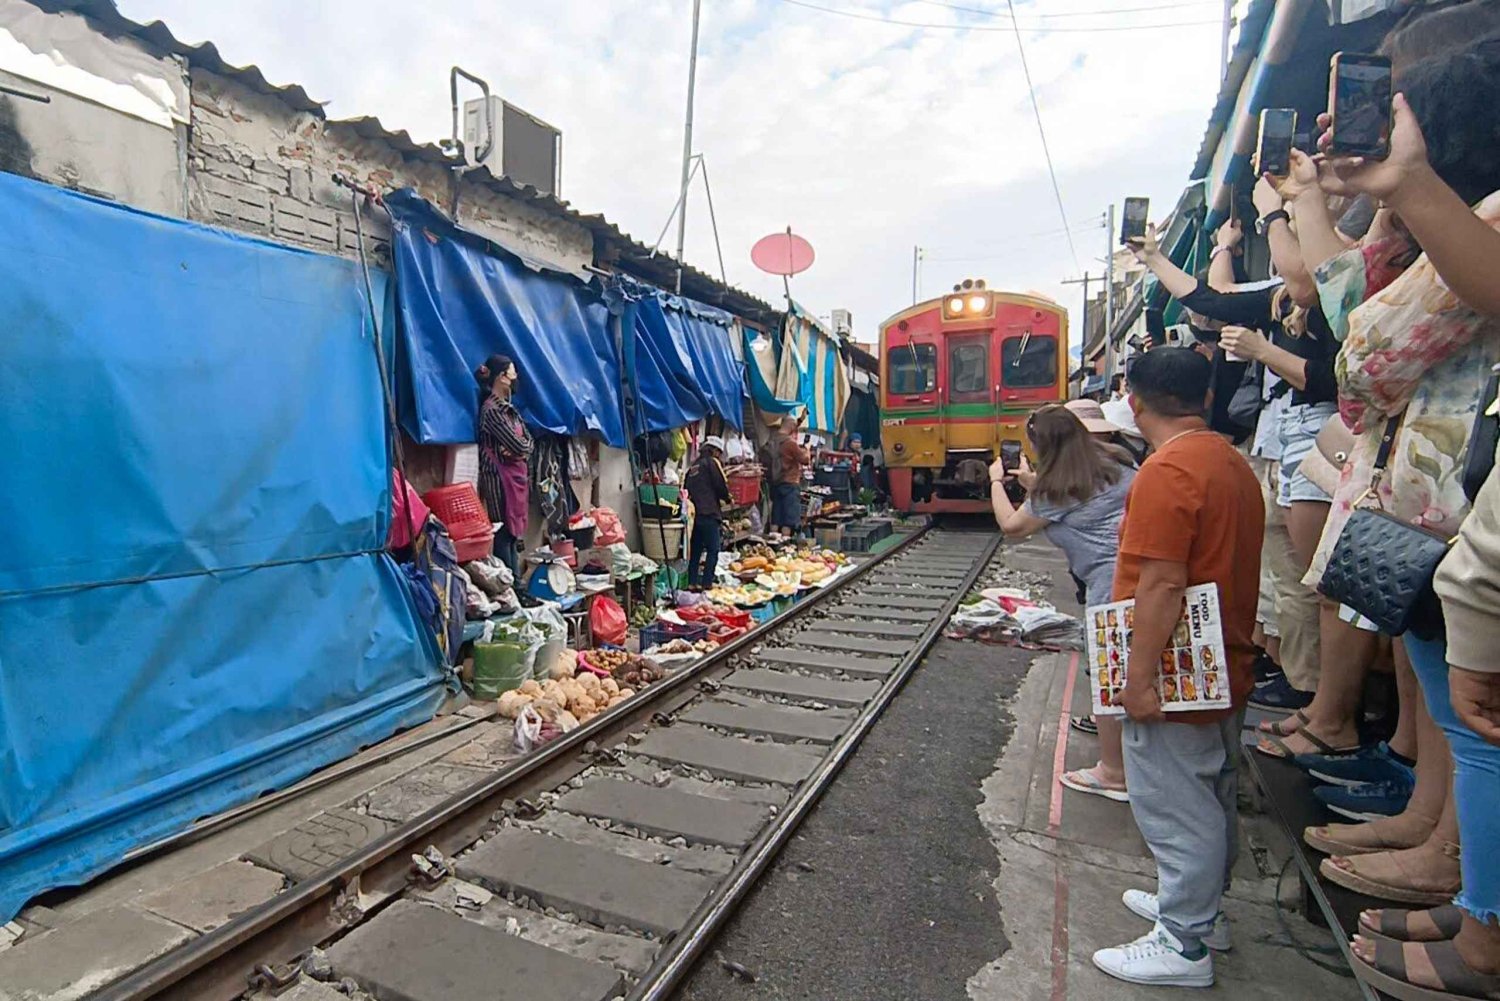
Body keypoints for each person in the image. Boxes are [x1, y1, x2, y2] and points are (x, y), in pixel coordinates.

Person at [1090, 348, 1263, 988]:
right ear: (1208, 399)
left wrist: (1136, 682)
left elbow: (1161, 584)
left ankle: (1183, 944)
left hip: (1175, 671)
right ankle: (1199, 911)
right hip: (1223, 661)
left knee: (1177, 802)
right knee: (1211, 793)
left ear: (1134, 401)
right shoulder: (1228, 461)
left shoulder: (1168, 472)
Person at [988, 405, 1137, 802]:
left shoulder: (1056, 490)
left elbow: (1012, 526)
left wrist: (996, 485)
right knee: (1130, 665)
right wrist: (1032, 481)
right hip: (1143, 570)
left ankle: (1114, 772)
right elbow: (1077, 494)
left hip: (1110, 583)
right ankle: (1136, 756)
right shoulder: (1113, 461)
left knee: (1107, 669)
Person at [475, 354, 531, 582]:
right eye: (512, 372)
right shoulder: (491, 411)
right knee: (503, 532)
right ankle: (510, 584)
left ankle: (515, 582)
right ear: (501, 377)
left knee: (514, 532)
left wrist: (520, 450)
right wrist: (520, 449)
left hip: (516, 476)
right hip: (499, 478)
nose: (515, 376)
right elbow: (518, 443)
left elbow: (528, 443)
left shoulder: (510, 411)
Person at [684, 435, 731, 590]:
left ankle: (691, 583)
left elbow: (686, 489)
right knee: (713, 549)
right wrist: (727, 498)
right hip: (709, 512)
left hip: (694, 514)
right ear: (715, 451)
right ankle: (707, 584)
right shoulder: (712, 463)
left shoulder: (693, 467)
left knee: (696, 550)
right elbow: (720, 485)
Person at [771, 415, 811, 537]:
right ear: (791, 426)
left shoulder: (773, 439)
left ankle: (772, 546)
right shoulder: (790, 443)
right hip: (790, 482)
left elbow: (792, 425)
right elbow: (805, 460)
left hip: (776, 481)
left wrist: (800, 419)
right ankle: (785, 548)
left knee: (776, 517)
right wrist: (807, 449)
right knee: (788, 519)